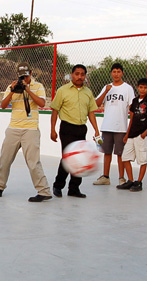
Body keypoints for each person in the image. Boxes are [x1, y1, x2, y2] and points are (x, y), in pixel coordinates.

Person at [0, 62, 52, 202]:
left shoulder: (38, 86)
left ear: (30, 74)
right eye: (21, 76)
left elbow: (42, 103)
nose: (23, 78)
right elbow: (2, 106)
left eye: (25, 76)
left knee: (33, 162)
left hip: (31, 129)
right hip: (13, 128)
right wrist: (13, 90)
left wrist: (28, 89)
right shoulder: (11, 86)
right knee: (5, 160)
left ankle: (44, 191)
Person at [50, 64, 100, 198]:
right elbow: (55, 110)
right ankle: (58, 186)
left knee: (81, 158)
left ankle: (74, 189)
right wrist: (52, 130)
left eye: (82, 74)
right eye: (77, 74)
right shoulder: (62, 90)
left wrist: (96, 129)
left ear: (85, 76)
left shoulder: (88, 92)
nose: (79, 76)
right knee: (68, 158)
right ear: (72, 75)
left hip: (81, 129)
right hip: (67, 128)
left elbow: (91, 112)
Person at [93, 63, 134, 186]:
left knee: (120, 153)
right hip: (107, 125)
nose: (116, 74)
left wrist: (130, 128)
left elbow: (131, 108)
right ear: (111, 73)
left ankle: (122, 178)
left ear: (122, 73)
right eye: (114, 71)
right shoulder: (107, 87)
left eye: (118, 71)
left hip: (120, 126)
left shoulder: (128, 88)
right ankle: (105, 176)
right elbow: (96, 103)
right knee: (107, 152)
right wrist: (105, 91)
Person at [117, 78, 147, 192]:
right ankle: (130, 180)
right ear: (137, 88)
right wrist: (127, 134)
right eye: (141, 87)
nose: (143, 89)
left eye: (145, 87)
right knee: (125, 157)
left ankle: (139, 182)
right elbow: (132, 118)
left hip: (142, 135)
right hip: (132, 134)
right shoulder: (134, 101)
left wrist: (144, 134)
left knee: (142, 159)